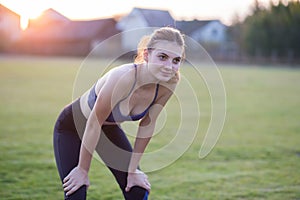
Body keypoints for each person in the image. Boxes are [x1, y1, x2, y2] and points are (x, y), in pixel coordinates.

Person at [53, 27, 185, 200]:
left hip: (107, 129)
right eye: (162, 57)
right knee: (76, 193)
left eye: (176, 60)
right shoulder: (123, 77)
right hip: (73, 126)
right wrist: (83, 170)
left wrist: (132, 170)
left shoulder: (169, 83)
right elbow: (93, 123)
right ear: (146, 55)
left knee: (137, 191)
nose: (169, 66)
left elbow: (148, 124)